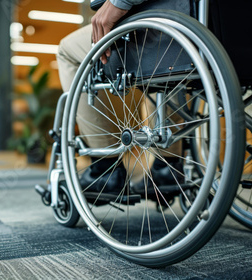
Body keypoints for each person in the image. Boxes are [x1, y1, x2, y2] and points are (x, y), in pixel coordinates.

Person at [56, 0, 184, 195]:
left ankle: (105, 169)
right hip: (214, 29)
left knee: (67, 50)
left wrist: (119, 2)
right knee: (171, 69)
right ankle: (167, 167)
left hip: (165, 23)